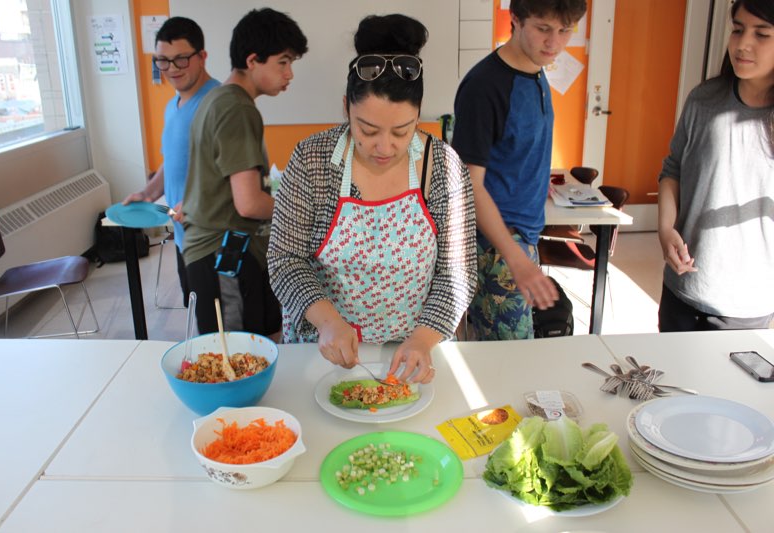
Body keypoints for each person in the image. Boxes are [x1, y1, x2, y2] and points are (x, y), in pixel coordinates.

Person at [268, 14, 477, 384]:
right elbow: (284, 259)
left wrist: (423, 339)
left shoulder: (443, 166)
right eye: (367, 129)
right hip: (322, 350)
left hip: (411, 356)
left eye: (402, 130)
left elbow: (457, 274)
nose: (385, 147)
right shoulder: (312, 160)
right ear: (346, 106)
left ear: (418, 113)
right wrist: (328, 321)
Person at [452, 0, 587, 340]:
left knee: (507, 358)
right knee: (509, 358)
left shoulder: (536, 70)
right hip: (497, 246)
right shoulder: (486, 85)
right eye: (543, 28)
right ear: (515, 18)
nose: (554, 43)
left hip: (522, 239)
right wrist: (515, 257)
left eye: (565, 31)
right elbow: (469, 184)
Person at [181, 8, 307, 338]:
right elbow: (249, 203)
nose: (289, 74)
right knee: (240, 358)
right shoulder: (237, 108)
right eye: (283, 62)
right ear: (252, 60)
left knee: (254, 347)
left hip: (221, 251)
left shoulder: (215, 99)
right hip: (224, 256)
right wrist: (305, 211)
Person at [657, 0, 774, 331]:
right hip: (682, 291)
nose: (742, 43)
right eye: (737, 29)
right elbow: (673, 171)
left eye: (762, 34)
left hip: (747, 306)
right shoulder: (703, 99)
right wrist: (666, 230)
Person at [122, 17, 220, 307]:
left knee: (217, 329)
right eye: (163, 61)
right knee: (196, 314)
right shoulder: (172, 105)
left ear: (202, 57)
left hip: (211, 241)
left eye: (181, 60)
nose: (172, 70)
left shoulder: (217, 103)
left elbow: (232, 172)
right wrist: (149, 192)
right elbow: (173, 161)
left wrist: (197, 203)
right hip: (182, 236)